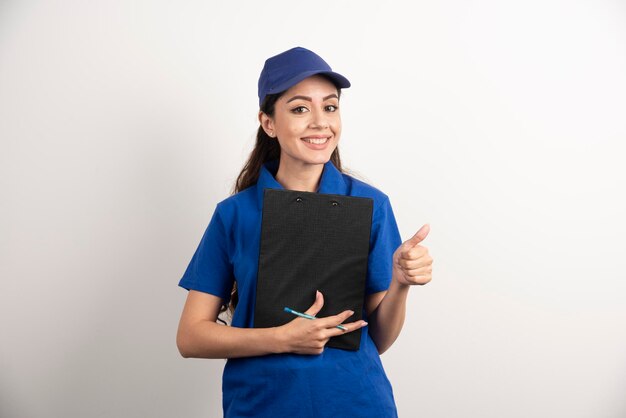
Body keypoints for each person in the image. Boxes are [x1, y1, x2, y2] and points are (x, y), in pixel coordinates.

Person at [176, 46, 434, 418]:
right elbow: (191, 337)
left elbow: (378, 338)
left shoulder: (370, 205)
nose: (320, 122)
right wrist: (283, 338)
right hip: (262, 404)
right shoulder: (234, 215)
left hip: (355, 402)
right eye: (300, 109)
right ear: (268, 123)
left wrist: (401, 282)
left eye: (330, 107)